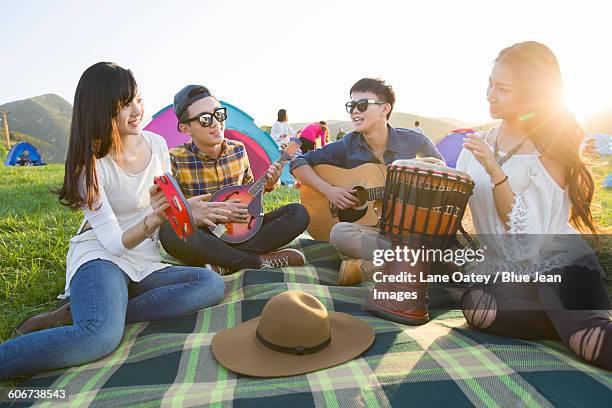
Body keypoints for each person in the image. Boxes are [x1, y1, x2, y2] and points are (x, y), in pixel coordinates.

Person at [0, 63, 225, 380]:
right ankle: (89, 319)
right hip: (101, 257)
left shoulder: (157, 145)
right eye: (125, 104)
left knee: (209, 284)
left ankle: (95, 312)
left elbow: (164, 201)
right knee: (99, 337)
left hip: (142, 260)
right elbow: (113, 244)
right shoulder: (88, 165)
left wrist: (188, 209)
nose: (137, 110)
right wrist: (155, 218)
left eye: (138, 99)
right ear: (101, 109)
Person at [456, 41, 611, 370]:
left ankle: (578, 325)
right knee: (476, 308)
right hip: (506, 272)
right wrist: (435, 173)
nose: (490, 94)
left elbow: (526, 237)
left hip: (555, 262)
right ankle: (562, 322)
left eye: (503, 89)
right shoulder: (476, 144)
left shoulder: (549, 150)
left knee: (591, 343)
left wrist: (495, 171)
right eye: (490, 83)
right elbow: (459, 203)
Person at [291, 78, 443, 285]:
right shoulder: (347, 145)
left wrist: (416, 168)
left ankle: (369, 267)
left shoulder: (416, 141)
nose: (354, 111)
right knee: (339, 233)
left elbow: (445, 181)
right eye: (350, 106)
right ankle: (413, 262)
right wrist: (329, 191)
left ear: (385, 109)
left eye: (361, 105)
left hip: (410, 228)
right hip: (375, 232)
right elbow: (298, 163)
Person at [159, 85, 309, 274]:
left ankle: (225, 263)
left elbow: (248, 193)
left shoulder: (238, 150)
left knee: (298, 213)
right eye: (205, 119)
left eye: (219, 114)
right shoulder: (173, 159)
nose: (216, 123)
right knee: (168, 232)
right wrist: (197, 213)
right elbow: (168, 212)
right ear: (185, 128)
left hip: (241, 232)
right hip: (204, 235)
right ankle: (254, 262)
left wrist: (269, 185)